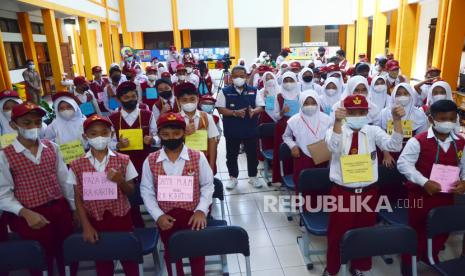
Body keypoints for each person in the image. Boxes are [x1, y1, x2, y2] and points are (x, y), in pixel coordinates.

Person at [323, 95, 404, 276]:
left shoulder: (372, 131)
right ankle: (333, 268)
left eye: (361, 112)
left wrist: (397, 121)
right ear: (345, 113)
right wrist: (337, 122)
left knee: (364, 232)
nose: (357, 115)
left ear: (367, 113)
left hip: (368, 192)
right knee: (337, 233)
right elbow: (333, 148)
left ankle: (359, 266)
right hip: (343, 193)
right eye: (352, 112)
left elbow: (395, 145)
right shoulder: (336, 130)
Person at [0, 102, 77, 276]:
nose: (33, 127)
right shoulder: (5, 155)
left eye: (37, 122)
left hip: (59, 209)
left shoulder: (52, 148)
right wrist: (24, 212)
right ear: (13, 125)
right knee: (39, 258)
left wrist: (74, 209)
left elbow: (64, 181)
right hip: (30, 214)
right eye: (26, 123)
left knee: (66, 254)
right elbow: (3, 194)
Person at [140, 112, 214, 276]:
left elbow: (208, 185)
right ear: (159, 135)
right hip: (167, 218)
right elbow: (146, 191)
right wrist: (158, 215)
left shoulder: (197, 156)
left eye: (176, 133)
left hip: (193, 216)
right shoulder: (151, 160)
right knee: (172, 253)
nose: (171, 138)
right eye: (165, 135)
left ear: (184, 133)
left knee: (196, 253)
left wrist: (201, 210)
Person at [397, 100, 465, 276]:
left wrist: (464, 181)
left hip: (446, 195)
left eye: (451, 118)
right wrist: (423, 181)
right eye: (443, 119)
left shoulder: (461, 142)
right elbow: (403, 164)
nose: (447, 122)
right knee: (416, 231)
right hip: (421, 195)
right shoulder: (417, 141)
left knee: (441, 230)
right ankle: (409, 263)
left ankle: (430, 256)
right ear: (431, 119)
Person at [69, 114, 139, 276]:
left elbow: (131, 191)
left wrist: (121, 181)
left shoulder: (123, 159)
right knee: (102, 261)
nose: (99, 137)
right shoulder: (76, 164)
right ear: (85, 136)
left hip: (121, 217)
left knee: (128, 259)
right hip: (94, 219)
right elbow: (77, 197)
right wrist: (86, 225)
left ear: (112, 135)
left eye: (104, 133)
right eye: (93, 134)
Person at [109, 81, 158, 227]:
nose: (131, 100)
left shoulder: (147, 115)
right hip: (122, 163)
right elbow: (108, 143)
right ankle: (135, 221)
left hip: (145, 161)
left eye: (133, 96)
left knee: (150, 189)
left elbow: (158, 136)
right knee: (128, 193)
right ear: (118, 99)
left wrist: (152, 139)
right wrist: (117, 144)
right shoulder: (112, 118)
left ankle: (156, 215)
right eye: (126, 98)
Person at [216, 66, 264, 189]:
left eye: (242, 76)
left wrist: (254, 111)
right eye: (236, 76)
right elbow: (220, 108)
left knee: (252, 154)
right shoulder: (225, 91)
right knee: (231, 155)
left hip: (250, 129)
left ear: (247, 77)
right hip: (232, 129)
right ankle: (233, 177)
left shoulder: (254, 90)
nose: (239, 78)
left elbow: (261, 106)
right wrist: (234, 113)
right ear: (231, 78)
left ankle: (253, 176)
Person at [282, 90, 331, 192]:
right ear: (301, 103)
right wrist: (293, 146)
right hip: (303, 156)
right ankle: (301, 206)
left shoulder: (327, 119)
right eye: (306, 103)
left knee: (321, 184)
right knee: (303, 183)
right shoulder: (294, 120)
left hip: (323, 157)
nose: (310, 106)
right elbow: (286, 136)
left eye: (313, 103)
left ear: (318, 103)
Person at [378, 83, 428, 168]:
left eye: (405, 93)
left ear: (411, 95)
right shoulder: (385, 113)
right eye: (399, 94)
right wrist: (386, 154)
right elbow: (381, 136)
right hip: (389, 151)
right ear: (393, 95)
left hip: (411, 152)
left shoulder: (419, 114)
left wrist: (411, 156)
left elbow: (421, 139)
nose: (402, 96)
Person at [175, 82, 219, 170]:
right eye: (184, 100)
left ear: (197, 99)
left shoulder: (207, 117)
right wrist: (183, 135)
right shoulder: (175, 119)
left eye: (192, 99)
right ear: (178, 101)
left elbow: (212, 142)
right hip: (181, 162)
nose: (189, 102)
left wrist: (211, 165)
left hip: (203, 160)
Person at [271, 72, 300, 184]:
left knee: (297, 151)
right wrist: (282, 112)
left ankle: (296, 175)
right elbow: (275, 116)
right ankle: (281, 176)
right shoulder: (279, 96)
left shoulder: (300, 95)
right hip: (283, 126)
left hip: (298, 126)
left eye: (291, 80)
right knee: (282, 151)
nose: (288, 83)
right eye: (286, 81)